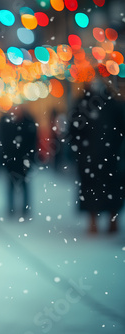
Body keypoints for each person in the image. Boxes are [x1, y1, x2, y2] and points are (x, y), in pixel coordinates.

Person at [69, 80, 125, 234]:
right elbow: (74, 131)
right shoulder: (83, 104)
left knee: (109, 190)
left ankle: (111, 220)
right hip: (93, 157)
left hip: (108, 157)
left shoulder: (112, 104)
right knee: (93, 190)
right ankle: (94, 220)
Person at [0, 106, 38, 218]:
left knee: (23, 184)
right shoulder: (9, 124)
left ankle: (24, 209)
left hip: (23, 159)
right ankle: (12, 208)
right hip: (12, 159)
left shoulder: (27, 124)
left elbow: (32, 142)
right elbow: (3, 142)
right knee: (12, 184)